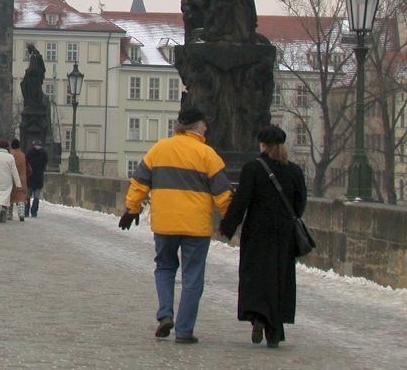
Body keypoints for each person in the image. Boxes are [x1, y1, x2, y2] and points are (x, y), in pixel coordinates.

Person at [119, 108, 233, 344]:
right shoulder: (207, 154)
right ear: (197, 126)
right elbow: (223, 194)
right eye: (204, 125)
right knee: (192, 276)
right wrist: (229, 219)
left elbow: (139, 182)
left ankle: (164, 315)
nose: (206, 129)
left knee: (164, 268)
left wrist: (132, 209)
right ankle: (184, 330)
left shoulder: (159, 149)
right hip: (196, 226)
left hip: (165, 222)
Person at [219, 125, 307, 348]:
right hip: (284, 234)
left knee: (255, 275)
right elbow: (300, 204)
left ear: (263, 145)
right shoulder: (294, 170)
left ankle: (257, 316)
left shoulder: (253, 168)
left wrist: (227, 226)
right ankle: (275, 330)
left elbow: (242, 202)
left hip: (257, 231)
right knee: (280, 278)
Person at [0, 140, 23, 223]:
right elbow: (14, 171)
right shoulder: (10, 157)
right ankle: (4, 209)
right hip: (7, 181)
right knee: (5, 198)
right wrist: (18, 184)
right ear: (7, 147)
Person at [25, 140, 48, 218]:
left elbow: (26, 162)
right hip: (39, 178)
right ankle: (34, 212)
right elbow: (45, 164)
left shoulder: (30, 152)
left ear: (33, 145)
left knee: (27, 196)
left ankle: (26, 211)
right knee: (36, 197)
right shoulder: (44, 153)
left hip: (30, 177)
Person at [8, 138, 30, 221]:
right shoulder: (23, 155)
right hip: (22, 179)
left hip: (11, 178)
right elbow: (28, 167)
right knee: (21, 198)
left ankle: (9, 214)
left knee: (10, 197)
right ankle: (21, 214)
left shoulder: (9, 154)